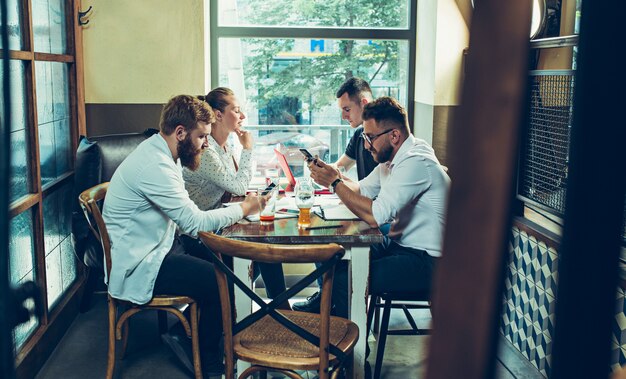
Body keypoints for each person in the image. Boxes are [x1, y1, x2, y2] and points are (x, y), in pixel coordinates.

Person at [102, 95, 264, 377]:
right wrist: (244, 208)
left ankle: (189, 335)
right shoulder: (157, 165)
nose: (205, 143)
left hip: (159, 246)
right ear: (180, 132)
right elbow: (194, 221)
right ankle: (203, 354)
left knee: (233, 260)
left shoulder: (162, 153)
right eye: (202, 136)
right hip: (141, 262)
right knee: (220, 281)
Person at [307, 96, 450, 318]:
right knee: (330, 253)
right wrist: (333, 175)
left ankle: (349, 347)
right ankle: (331, 322)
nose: (365, 145)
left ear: (394, 135)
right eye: (365, 136)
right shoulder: (392, 159)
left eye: (370, 137)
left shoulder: (415, 162)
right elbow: (361, 190)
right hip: (401, 244)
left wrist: (334, 184)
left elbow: (376, 216)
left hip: (429, 261)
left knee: (345, 278)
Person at [182, 87, 288, 307]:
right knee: (262, 249)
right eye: (237, 110)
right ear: (218, 115)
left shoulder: (224, 145)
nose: (242, 116)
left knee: (263, 246)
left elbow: (235, 185)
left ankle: (279, 310)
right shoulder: (206, 150)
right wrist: (248, 148)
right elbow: (239, 186)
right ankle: (276, 311)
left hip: (216, 225)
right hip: (197, 236)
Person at [292, 77, 378, 313]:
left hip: (378, 216)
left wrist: (335, 179)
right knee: (321, 232)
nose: (344, 117)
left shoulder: (381, 141)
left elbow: (374, 196)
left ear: (364, 102)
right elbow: (340, 168)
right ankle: (326, 298)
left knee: (327, 240)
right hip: (365, 206)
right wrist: (323, 169)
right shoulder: (360, 135)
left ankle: (333, 307)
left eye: (347, 110)